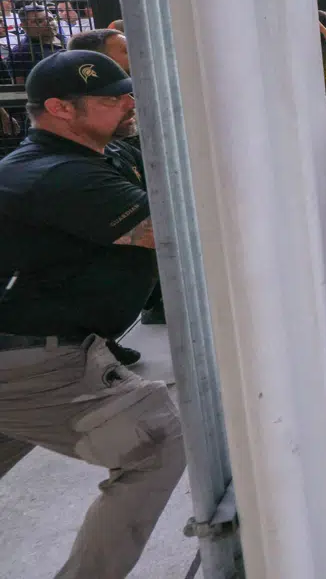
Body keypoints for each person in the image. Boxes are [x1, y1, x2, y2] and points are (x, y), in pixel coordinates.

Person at [0, 51, 185, 579]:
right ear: (59, 108)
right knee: (156, 442)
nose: (129, 105)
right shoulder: (57, 175)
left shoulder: (91, 156)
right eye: (111, 100)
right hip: (30, 363)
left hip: (36, 349)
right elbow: (175, 228)